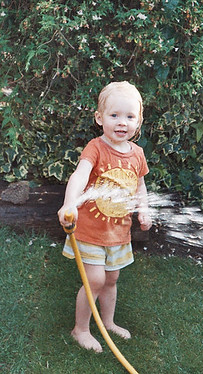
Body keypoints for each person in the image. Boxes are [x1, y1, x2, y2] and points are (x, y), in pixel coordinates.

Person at [57, 81, 152, 353]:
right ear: (100, 118)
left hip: (118, 233)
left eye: (129, 117)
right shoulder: (95, 148)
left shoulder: (138, 155)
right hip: (90, 230)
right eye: (114, 116)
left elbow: (140, 186)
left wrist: (144, 209)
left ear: (138, 122)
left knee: (111, 280)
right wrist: (69, 204)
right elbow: (80, 176)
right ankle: (81, 329)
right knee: (95, 280)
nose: (122, 123)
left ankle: (108, 322)